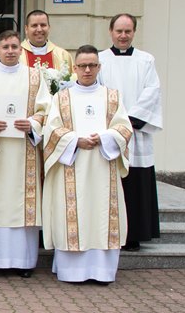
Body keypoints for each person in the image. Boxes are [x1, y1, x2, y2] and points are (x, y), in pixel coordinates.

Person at [42, 45, 133, 284]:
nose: (87, 70)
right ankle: (72, 271)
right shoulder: (61, 98)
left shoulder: (112, 96)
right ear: (75, 68)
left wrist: (104, 138)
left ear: (99, 67)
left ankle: (102, 271)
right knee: (74, 212)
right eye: (82, 65)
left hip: (103, 166)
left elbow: (124, 128)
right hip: (72, 163)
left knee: (101, 215)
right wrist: (75, 140)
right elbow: (50, 129)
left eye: (92, 65)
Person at [0, 30, 51, 278]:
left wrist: (31, 123)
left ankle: (23, 262)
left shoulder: (34, 77)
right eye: (5, 47)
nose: (10, 51)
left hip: (24, 151)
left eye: (14, 46)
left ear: (21, 50)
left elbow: (46, 110)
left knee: (22, 204)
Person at [98, 13, 163, 251]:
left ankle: (134, 234)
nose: (123, 36)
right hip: (110, 132)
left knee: (135, 183)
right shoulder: (100, 60)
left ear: (134, 32)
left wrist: (131, 119)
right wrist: (115, 122)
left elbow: (152, 91)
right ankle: (109, 232)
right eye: (119, 31)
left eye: (128, 31)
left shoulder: (146, 61)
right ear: (111, 32)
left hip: (136, 131)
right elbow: (98, 91)